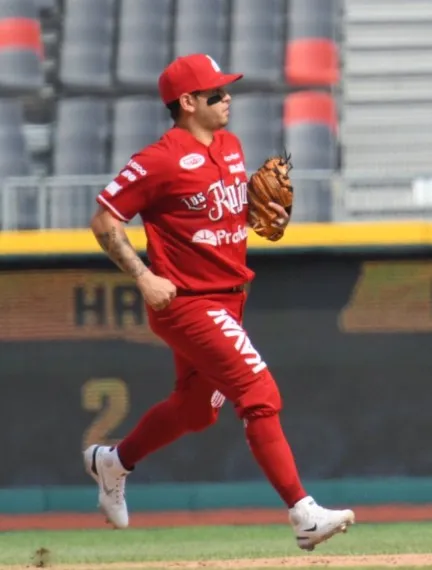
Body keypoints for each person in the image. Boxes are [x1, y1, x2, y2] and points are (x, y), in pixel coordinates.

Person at [83, 53, 355, 550]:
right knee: (259, 392)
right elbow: (104, 221)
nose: (227, 98)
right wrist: (143, 277)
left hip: (230, 300)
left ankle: (113, 461)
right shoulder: (157, 159)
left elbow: (215, 218)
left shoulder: (230, 146)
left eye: (226, 90)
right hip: (187, 303)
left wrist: (258, 215)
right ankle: (302, 513)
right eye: (215, 93)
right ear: (187, 102)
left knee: (195, 411)